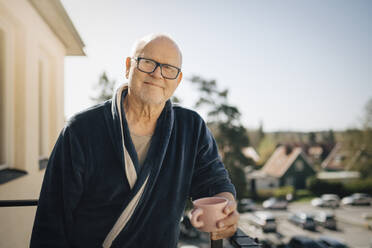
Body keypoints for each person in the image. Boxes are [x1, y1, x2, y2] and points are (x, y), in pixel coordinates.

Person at [30, 34, 239, 248]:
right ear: (129, 66)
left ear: (178, 80)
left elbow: (215, 184)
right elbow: (52, 222)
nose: (157, 74)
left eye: (168, 68)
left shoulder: (191, 128)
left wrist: (227, 209)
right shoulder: (80, 130)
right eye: (147, 62)